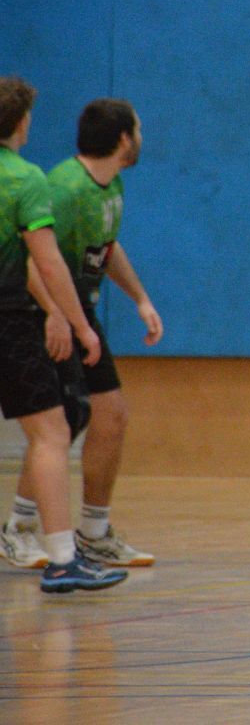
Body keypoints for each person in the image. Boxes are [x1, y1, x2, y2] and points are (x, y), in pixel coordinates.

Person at [2, 99, 162, 571]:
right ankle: (20, 526)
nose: (140, 137)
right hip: (47, 313)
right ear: (124, 139)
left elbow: (106, 249)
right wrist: (54, 314)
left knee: (110, 416)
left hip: (81, 314)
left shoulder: (110, 185)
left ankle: (94, 532)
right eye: (138, 129)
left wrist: (140, 298)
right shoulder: (63, 189)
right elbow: (35, 258)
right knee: (62, 421)